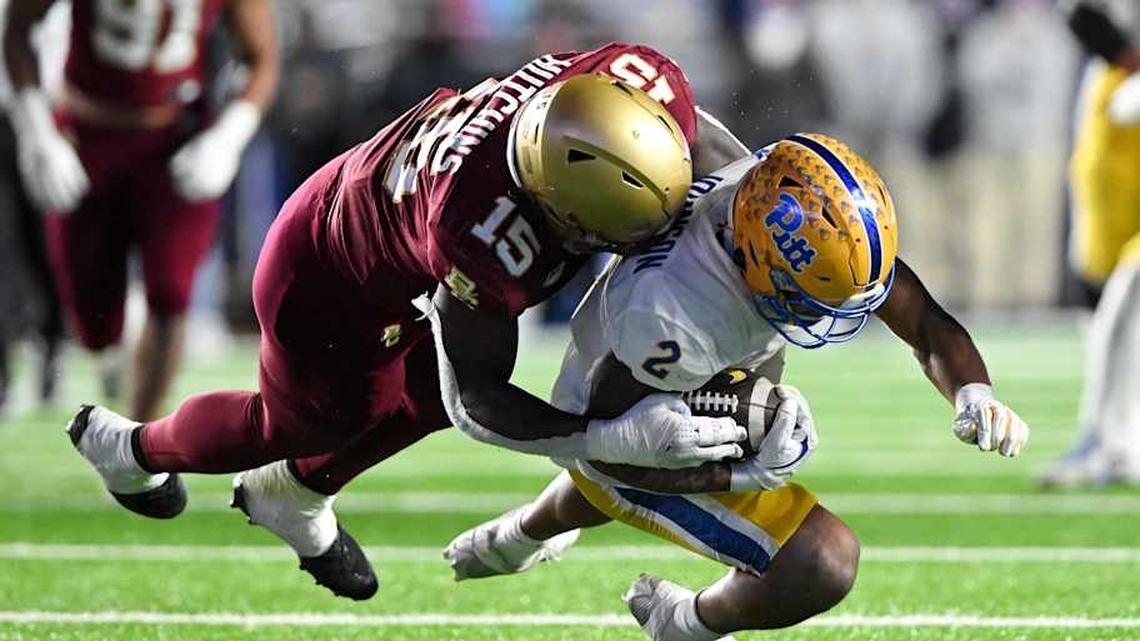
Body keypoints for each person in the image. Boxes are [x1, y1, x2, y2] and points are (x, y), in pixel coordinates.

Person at [66, 43, 753, 600]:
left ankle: (295, 494)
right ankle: (131, 450)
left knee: (421, 394)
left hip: (387, 220)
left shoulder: (624, 89)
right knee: (307, 421)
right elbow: (477, 399)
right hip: (330, 269)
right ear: (559, 210)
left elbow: (711, 151)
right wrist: (602, 437)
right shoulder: (479, 228)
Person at [443, 133, 1030, 641]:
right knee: (822, 561)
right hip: (623, 399)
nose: (823, 315)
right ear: (755, 259)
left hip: (654, 356)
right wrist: (742, 475)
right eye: (807, 299)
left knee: (747, 417)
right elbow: (615, 461)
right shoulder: (674, 323)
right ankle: (686, 623)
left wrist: (973, 392)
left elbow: (919, 314)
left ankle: (519, 535)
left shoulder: (773, 190)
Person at [4, 0, 279, 420]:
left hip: (175, 137)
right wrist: (37, 134)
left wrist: (229, 136)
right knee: (93, 321)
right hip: (87, 131)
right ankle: (121, 336)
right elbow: (20, 27)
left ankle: (139, 440)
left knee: (171, 293)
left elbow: (260, 56)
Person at [1040, 0, 1140, 486]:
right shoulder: (1107, 75)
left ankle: (1103, 441)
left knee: (1119, 321)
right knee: (1111, 323)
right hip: (1116, 223)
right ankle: (1117, 444)